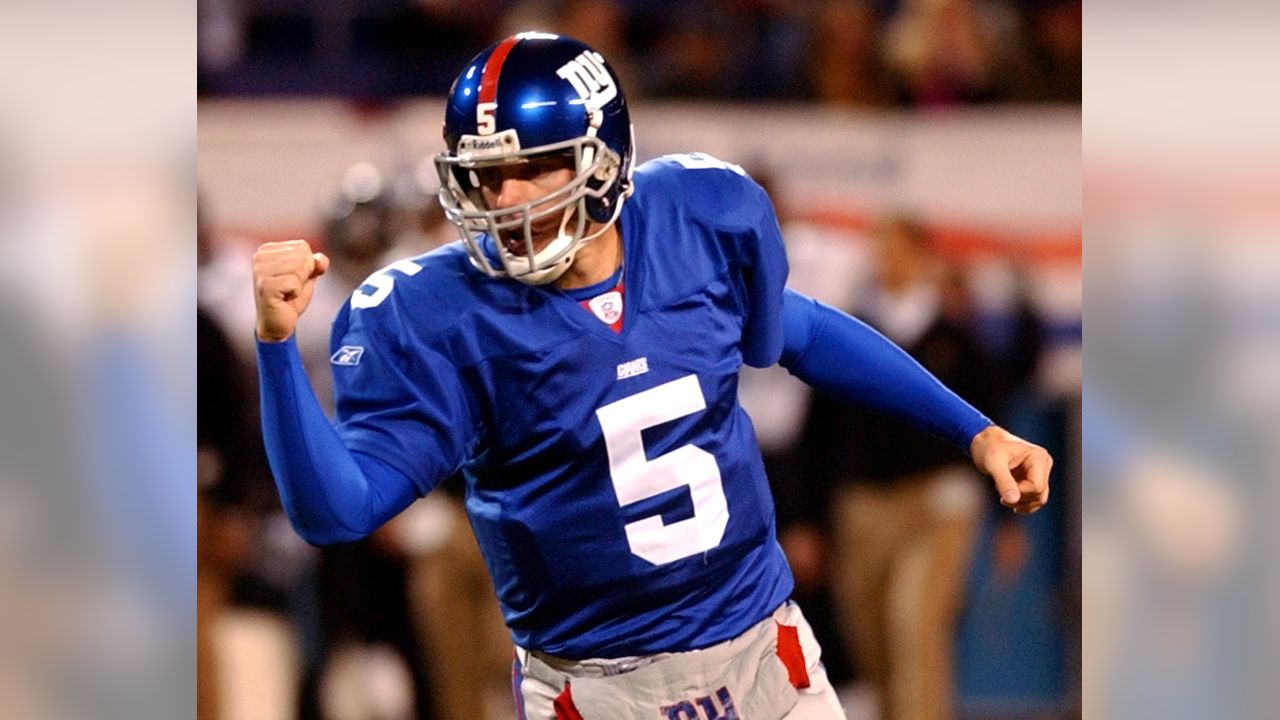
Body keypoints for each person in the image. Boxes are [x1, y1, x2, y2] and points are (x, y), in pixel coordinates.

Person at [252, 33, 1050, 720]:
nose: (503, 199)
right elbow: (337, 511)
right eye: (485, 176)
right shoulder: (435, 313)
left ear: (601, 161)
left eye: (531, 168)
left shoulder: (698, 220)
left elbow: (803, 332)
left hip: (762, 660)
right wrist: (278, 348)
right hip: (596, 692)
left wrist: (974, 429)